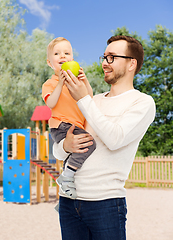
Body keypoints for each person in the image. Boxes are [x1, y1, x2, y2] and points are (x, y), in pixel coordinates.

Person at [53, 35, 156, 240]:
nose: (104, 63)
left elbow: (115, 138)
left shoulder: (142, 103)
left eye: (111, 57)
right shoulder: (93, 100)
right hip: (68, 202)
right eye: (104, 57)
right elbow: (57, 151)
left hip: (105, 204)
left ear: (131, 64)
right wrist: (66, 144)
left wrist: (82, 99)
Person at [42, 37, 96, 199]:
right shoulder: (50, 83)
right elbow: (51, 103)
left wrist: (84, 80)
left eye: (67, 53)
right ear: (50, 63)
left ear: (72, 59)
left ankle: (65, 192)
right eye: (57, 54)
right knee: (89, 144)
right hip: (62, 125)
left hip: (74, 125)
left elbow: (89, 97)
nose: (62, 56)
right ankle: (66, 177)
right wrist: (60, 83)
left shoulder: (76, 82)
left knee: (74, 155)